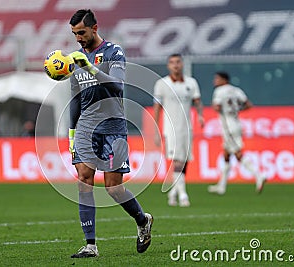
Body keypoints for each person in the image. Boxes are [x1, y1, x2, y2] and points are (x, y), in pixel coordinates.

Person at [68, 9, 153, 258]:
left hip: (113, 127)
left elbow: (117, 86)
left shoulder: (113, 52)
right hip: (85, 128)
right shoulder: (76, 59)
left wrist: (90, 68)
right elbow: (75, 98)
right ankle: (90, 245)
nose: (78, 39)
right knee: (84, 181)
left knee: (113, 188)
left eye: (81, 32)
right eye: (74, 34)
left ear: (95, 28)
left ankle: (142, 220)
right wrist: (72, 134)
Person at [153, 54, 204, 207]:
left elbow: (197, 102)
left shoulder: (191, 83)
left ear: (182, 64)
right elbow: (157, 107)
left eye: (178, 62)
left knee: (185, 160)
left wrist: (200, 115)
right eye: (172, 63)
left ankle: (173, 192)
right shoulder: (162, 84)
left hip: (187, 127)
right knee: (177, 161)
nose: (175, 65)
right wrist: (156, 129)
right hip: (170, 128)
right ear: (168, 66)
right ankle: (183, 195)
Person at [208, 71, 266, 195]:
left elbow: (217, 107)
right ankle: (221, 186)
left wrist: (217, 107)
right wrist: (236, 110)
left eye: (217, 79)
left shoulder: (219, 91)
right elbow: (248, 105)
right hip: (236, 122)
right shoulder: (236, 90)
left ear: (224, 80)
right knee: (226, 154)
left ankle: (258, 175)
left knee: (237, 153)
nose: (215, 81)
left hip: (228, 126)